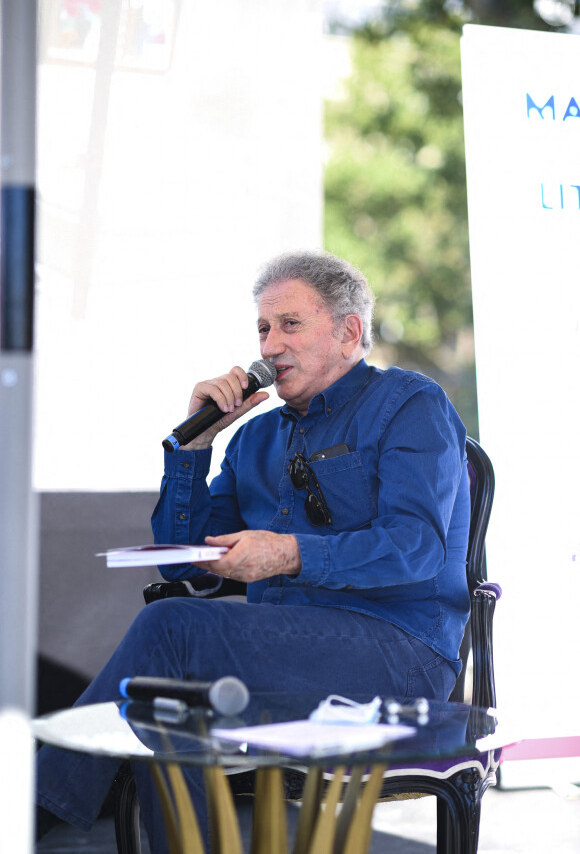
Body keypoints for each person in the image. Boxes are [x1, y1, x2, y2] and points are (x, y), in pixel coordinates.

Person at [36, 250, 471, 853]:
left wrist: (289, 554)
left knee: (170, 630)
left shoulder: (409, 404)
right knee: (168, 705)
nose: (269, 346)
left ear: (349, 331)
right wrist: (196, 447)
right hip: (283, 656)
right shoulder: (255, 435)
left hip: (399, 655)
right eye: (263, 329)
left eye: (290, 324)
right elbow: (182, 562)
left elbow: (416, 549)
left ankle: (29, 809)